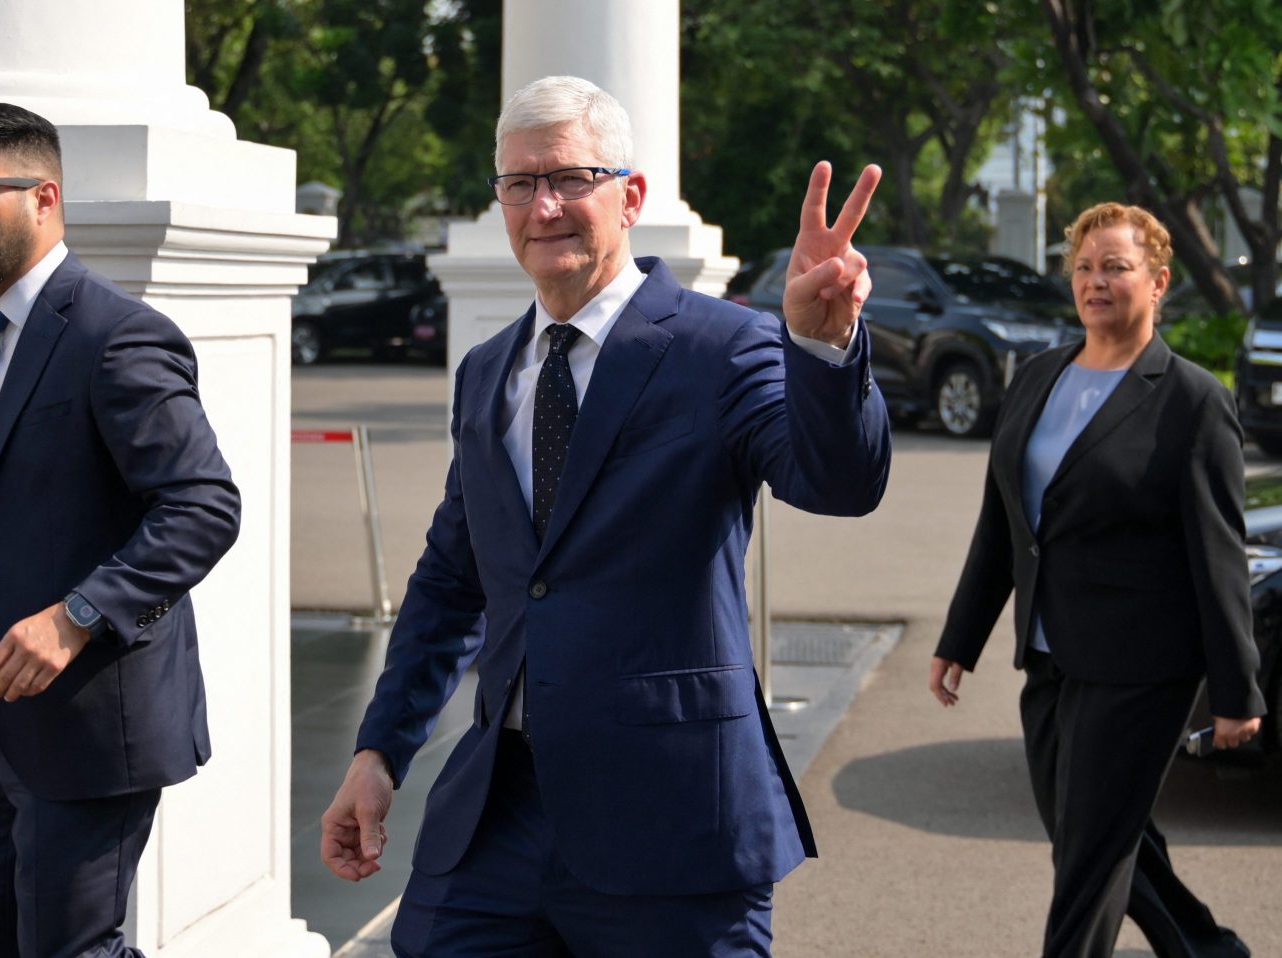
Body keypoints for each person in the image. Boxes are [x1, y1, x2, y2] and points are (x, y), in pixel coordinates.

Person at [320, 75, 891, 956]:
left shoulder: (721, 346)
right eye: (519, 183)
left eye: (570, 179)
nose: (542, 206)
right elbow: (451, 579)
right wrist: (379, 752)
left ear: (629, 198)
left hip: (670, 822)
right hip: (497, 820)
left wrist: (819, 347)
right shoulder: (484, 372)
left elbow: (839, 482)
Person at [0, 103, 241, 958]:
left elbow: (203, 505)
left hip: (85, 722)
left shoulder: (117, 334)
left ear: (45, 196)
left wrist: (76, 616)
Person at [930, 202, 1264, 958]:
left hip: (1143, 666)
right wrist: (962, 636)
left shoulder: (1191, 401)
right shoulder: (1039, 376)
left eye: (1115, 267)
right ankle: (1211, 951)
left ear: (1158, 281)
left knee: (1086, 859)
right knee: (1103, 838)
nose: (1095, 281)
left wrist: (1238, 691)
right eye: (1083, 267)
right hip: (1051, 659)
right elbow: (1003, 522)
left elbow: (1218, 552)